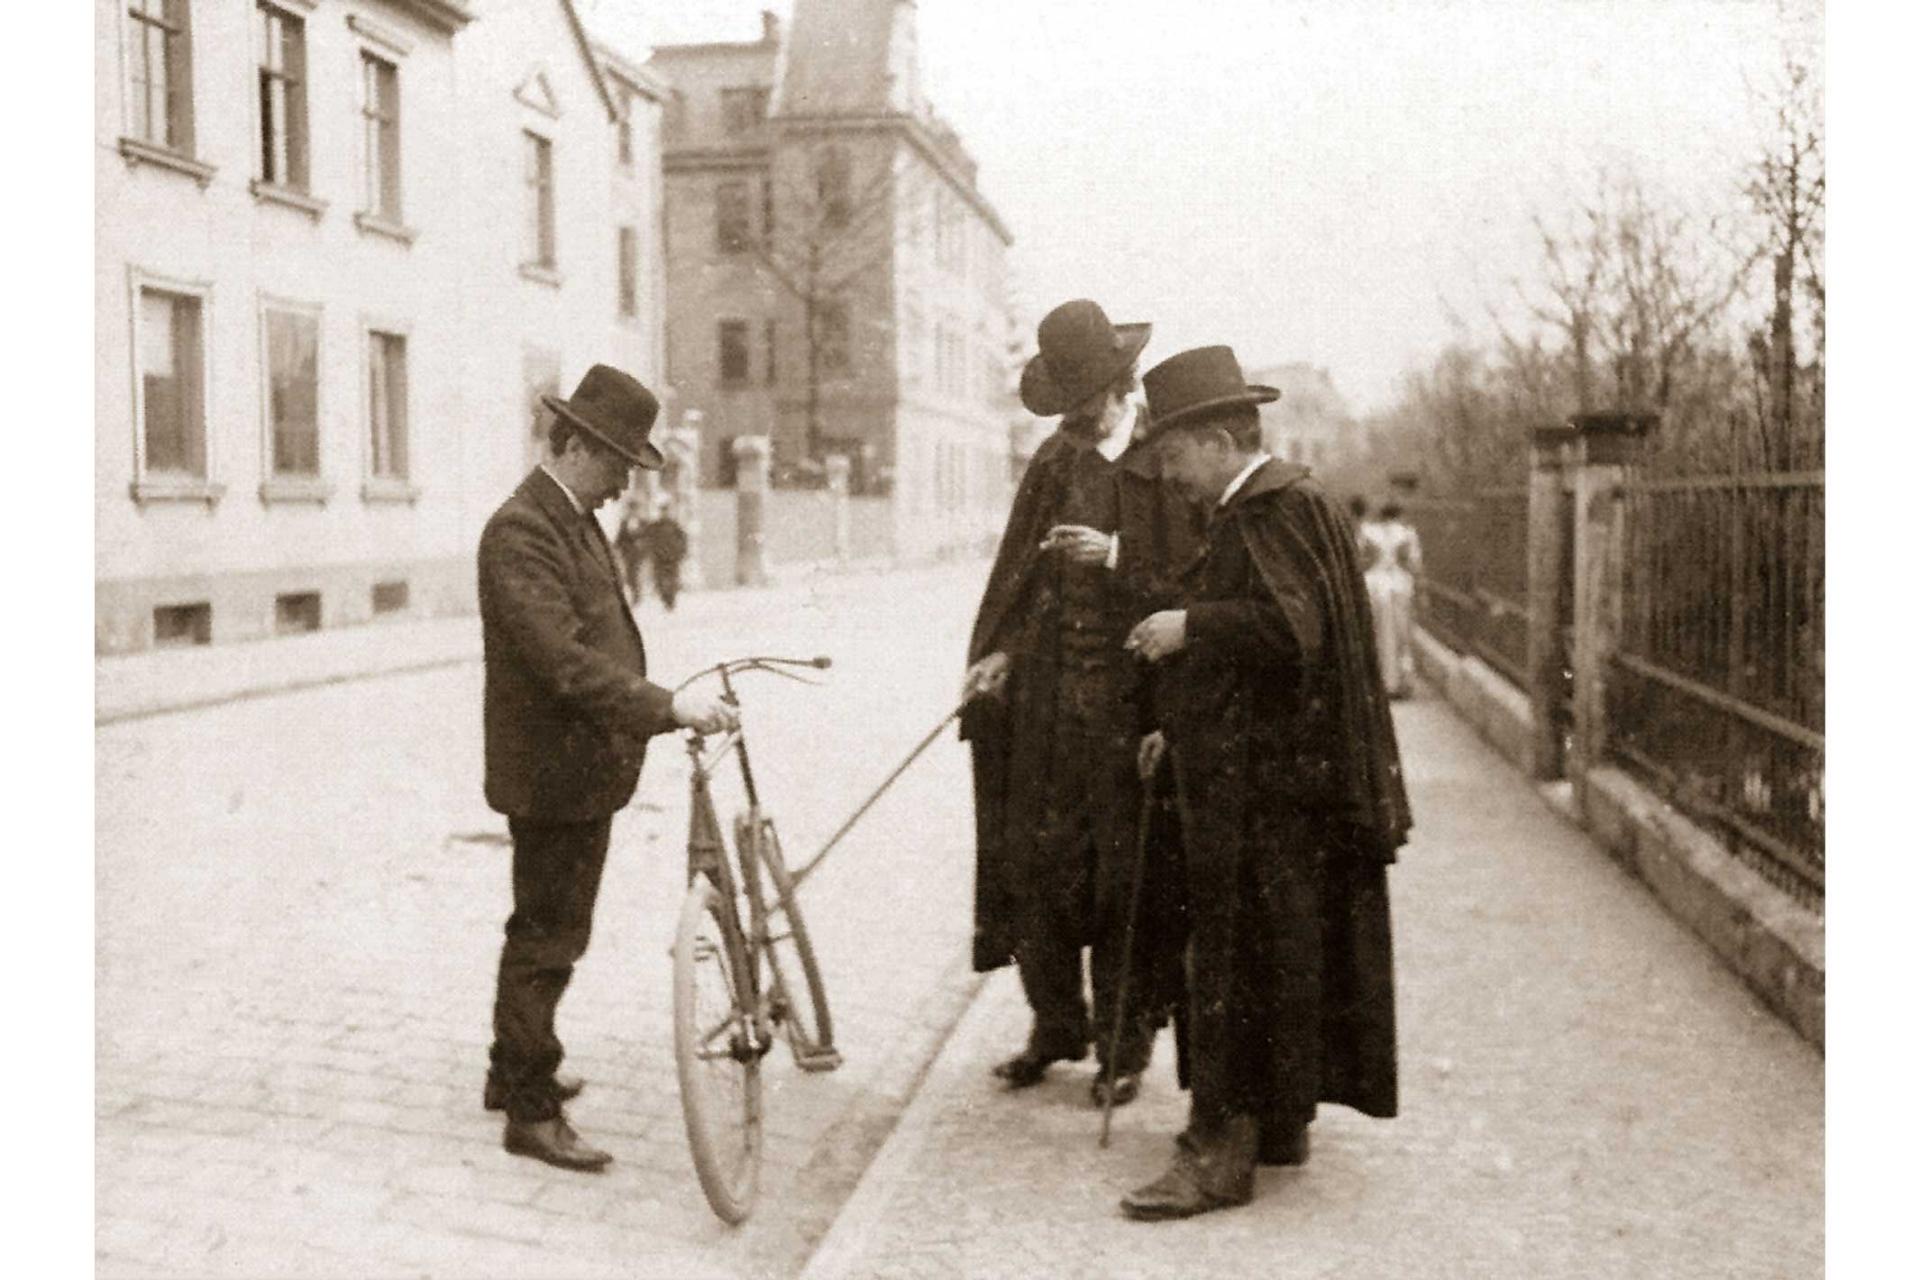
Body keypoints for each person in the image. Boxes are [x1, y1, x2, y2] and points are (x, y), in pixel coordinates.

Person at [1121, 345, 1410, 1221]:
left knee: (1235, 962)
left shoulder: (1265, 512)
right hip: (1284, 783)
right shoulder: (1292, 503)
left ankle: (1220, 1152)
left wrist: (1186, 625)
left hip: (1262, 794)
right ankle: (1278, 1125)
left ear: (1216, 439)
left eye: (1174, 456)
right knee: (1282, 956)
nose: (1169, 477)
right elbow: (1275, 659)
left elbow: (1292, 632)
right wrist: (1179, 729)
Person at [478, 364, 738, 1172]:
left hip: (582, 766)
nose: (627, 479)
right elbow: (563, 660)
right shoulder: (522, 530)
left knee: (549, 923)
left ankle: (512, 1066)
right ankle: (529, 1109)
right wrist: (666, 707)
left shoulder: (575, 517)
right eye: (620, 460)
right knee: (549, 934)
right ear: (575, 445)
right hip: (553, 773)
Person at [960, 299, 1204, 1108]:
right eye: (1061, 399)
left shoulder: (1159, 460)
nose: (1070, 414)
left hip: (1131, 716)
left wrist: (1116, 556)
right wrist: (1000, 654)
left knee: (1126, 882)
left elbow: (1193, 589)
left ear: (1116, 383)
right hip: (1046, 714)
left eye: (1082, 396)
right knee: (1039, 873)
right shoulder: (1055, 463)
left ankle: (1123, 1046)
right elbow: (1020, 587)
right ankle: (1055, 1025)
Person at [1359, 501, 1422, 698]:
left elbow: (1360, 560)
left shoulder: (1368, 531)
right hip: (1399, 585)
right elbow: (1413, 563)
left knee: (1377, 632)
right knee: (1402, 634)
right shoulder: (1407, 533)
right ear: (1399, 514)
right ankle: (1401, 683)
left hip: (1374, 585)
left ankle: (1379, 682)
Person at [643, 502, 690, 611]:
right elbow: (647, 538)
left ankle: (671, 601)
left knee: (672, 579)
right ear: (660, 512)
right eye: (663, 511)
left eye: (666, 511)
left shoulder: (674, 525)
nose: (665, 513)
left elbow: (683, 539)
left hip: (672, 558)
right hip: (658, 558)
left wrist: (682, 553)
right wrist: (650, 552)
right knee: (659, 580)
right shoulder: (655, 526)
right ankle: (665, 599)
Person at [613, 500, 651, 605]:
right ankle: (636, 595)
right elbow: (620, 537)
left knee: (636, 573)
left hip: (639, 554)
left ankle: (637, 596)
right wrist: (615, 547)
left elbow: (648, 538)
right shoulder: (624, 522)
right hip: (627, 553)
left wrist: (644, 546)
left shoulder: (643, 523)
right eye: (630, 509)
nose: (632, 511)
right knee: (629, 576)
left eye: (634, 509)